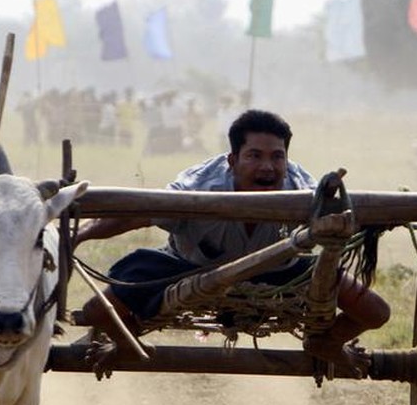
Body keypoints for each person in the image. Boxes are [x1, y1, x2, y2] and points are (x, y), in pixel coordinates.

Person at [73, 109, 390, 374]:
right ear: (232, 160)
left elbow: (344, 219)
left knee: (375, 312)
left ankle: (327, 342)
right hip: (187, 267)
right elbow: (135, 215)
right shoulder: (196, 187)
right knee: (96, 311)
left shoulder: (305, 189)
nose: (267, 167)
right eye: (254, 156)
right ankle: (127, 347)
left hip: (282, 272)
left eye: (277, 157)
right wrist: (80, 235)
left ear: (287, 160)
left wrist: (369, 216)